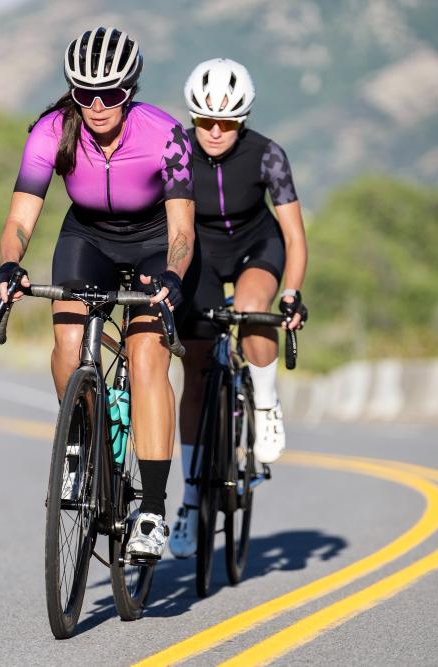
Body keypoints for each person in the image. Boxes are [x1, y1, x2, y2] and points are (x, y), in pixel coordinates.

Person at [0, 27, 195, 558]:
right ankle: (81, 448)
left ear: (131, 88)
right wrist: (10, 265)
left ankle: (150, 507)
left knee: (147, 357)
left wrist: (173, 276)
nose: (99, 105)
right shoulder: (50, 131)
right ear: (72, 91)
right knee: (66, 344)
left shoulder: (165, 134)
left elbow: (181, 233)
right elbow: (20, 217)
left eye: (111, 93)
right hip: (88, 237)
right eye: (85, 94)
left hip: (154, 242)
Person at [169, 58, 308, 559]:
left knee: (251, 309)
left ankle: (267, 406)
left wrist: (290, 292)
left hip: (256, 246)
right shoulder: (177, 149)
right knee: (197, 367)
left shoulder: (268, 154)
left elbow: (293, 235)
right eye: (204, 120)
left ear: (242, 118)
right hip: (201, 252)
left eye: (225, 122)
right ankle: (188, 500)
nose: (213, 131)